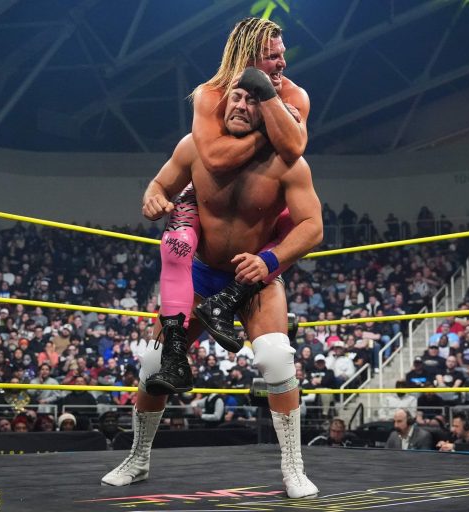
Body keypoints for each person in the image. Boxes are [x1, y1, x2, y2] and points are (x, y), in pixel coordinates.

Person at [103, 85, 322, 499]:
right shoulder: (195, 147)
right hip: (201, 275)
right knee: (153, 363)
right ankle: (138, 458)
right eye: (236, 97)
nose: (241, 105)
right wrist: (152, 199)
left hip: (254, 275)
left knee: (276, 357)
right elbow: (158, 185)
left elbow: (313, 227)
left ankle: (294, 466)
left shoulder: (286, 162)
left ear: (265, 111)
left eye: (252, 100)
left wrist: (269, 261)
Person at [153, 16, 310, 358]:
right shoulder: (211, 95)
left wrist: (267, 96)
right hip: (207, 236)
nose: (282, 62)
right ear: (248, 58)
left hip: (259, 232)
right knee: (154, 362)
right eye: (272, 56)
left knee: (277, 360)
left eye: (282, 54)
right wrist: (268, 129)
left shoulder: (293, 94)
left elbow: (294, 147)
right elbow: (214, 158)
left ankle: (262, 312)